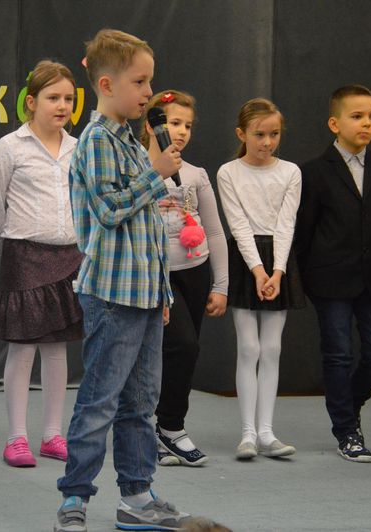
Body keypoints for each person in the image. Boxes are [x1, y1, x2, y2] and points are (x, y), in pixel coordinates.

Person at [54, 29, 190, 532]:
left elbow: (149, 228)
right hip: (111, 297)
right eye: (140, 81)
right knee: (99, 402)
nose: (149, 92)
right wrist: (156, 172)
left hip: (144, 295)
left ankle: (136, 494)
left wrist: (162, 291)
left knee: (140, 404)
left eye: (150, 81)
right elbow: (111, 210)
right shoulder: (95, 141)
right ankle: (74, 498)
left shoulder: (132, 141)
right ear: (107, 84)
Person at [0, 60, 82, 468]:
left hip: (70, 257)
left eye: (69, 99)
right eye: (53, 97)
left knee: (57, 349)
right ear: (31, 101)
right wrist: (11, 251)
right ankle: (16, 438)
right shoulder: (10, 147)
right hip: (23, 256)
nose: (62, 106)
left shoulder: (79, 148)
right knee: (22, 349)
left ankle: (53, 434)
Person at [295, 85, 371, 462]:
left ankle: (350, 405)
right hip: (329, 279)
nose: (366, 123)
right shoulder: (313, 172)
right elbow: (305, 229)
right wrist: (309, 276)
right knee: (338, 354)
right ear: (334, 124)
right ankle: (346, 431)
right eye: (357, 116)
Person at [140, 90, 228, 467]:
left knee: (183, 353)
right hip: (156, 274)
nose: (181, 132)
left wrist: (221, 285)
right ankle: (168, 427)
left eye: (187, 126)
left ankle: (164, 428)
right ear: (152, 125)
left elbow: (215, 231)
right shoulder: (137, 168)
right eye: (174, 123)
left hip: (195, 271)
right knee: (181, 345)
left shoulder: (196, 174)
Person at [216, 98, 304, 461]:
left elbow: (286, 224)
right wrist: (256, 270)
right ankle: (248, 434)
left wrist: (277, 272)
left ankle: (267, 432)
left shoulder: (291, 172)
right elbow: (237, 224)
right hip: (245, 259)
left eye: (274, 134)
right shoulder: (228, 172)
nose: (267, 142)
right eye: (259, 135)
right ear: (242, 134)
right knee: (248, 348)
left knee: (272, 349)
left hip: (278, 260)